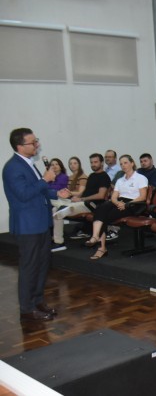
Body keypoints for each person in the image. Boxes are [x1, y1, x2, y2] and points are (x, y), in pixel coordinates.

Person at [3, 128, 65, 321]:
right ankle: (27, 309)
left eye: (36, 141)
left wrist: (57, 193)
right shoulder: (12, 167)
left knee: (42, 264)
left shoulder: (29, 164)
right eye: (33, 142)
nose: (37, 145)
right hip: (27, 225)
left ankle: (38, 301)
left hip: (40, 222)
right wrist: (45, 180)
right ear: (20, 146)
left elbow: (39, 189)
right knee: (29, 267)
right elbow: (23, 194)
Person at [86, 154, 148, 260]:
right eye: (121, 164)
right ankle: (95, 236)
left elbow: (142, 197)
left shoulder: (140, 178)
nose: (123, 165)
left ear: (132, 163)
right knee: (101, 208)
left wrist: (127, 204)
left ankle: (101, 248)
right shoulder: (120, 180)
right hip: (120, 202)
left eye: (125, 163)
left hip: (134, 204)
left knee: (104, 216)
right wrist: (117, 202)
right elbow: (114, 197)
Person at [52, 154, 111, 245]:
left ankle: (65, 207)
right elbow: (85, 192)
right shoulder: (91, 176)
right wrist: (76, 197)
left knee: (60, 208)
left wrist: (82, 199)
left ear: (102, 163)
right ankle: (58, 240)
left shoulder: (104, 176)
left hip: (91, 205)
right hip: (81, 202)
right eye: (91, 162)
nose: (93, 164)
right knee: (55, 209)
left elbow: (101, 196)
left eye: (95, 162)